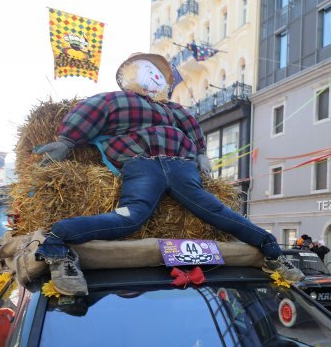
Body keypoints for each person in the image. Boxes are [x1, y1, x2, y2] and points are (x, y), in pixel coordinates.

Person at [32, 52, 302, 296]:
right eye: (148, 70)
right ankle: (58, 240)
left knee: (214, 209)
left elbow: (193, 129)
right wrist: (68, 141)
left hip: (181, 167)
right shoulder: (117, 100)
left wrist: (199, 153)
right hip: (141, 164)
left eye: (159, 74)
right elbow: (91, 112)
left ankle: (271, 250)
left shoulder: (175, 110)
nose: (156, 77)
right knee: (130, 217)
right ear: (129, 76)